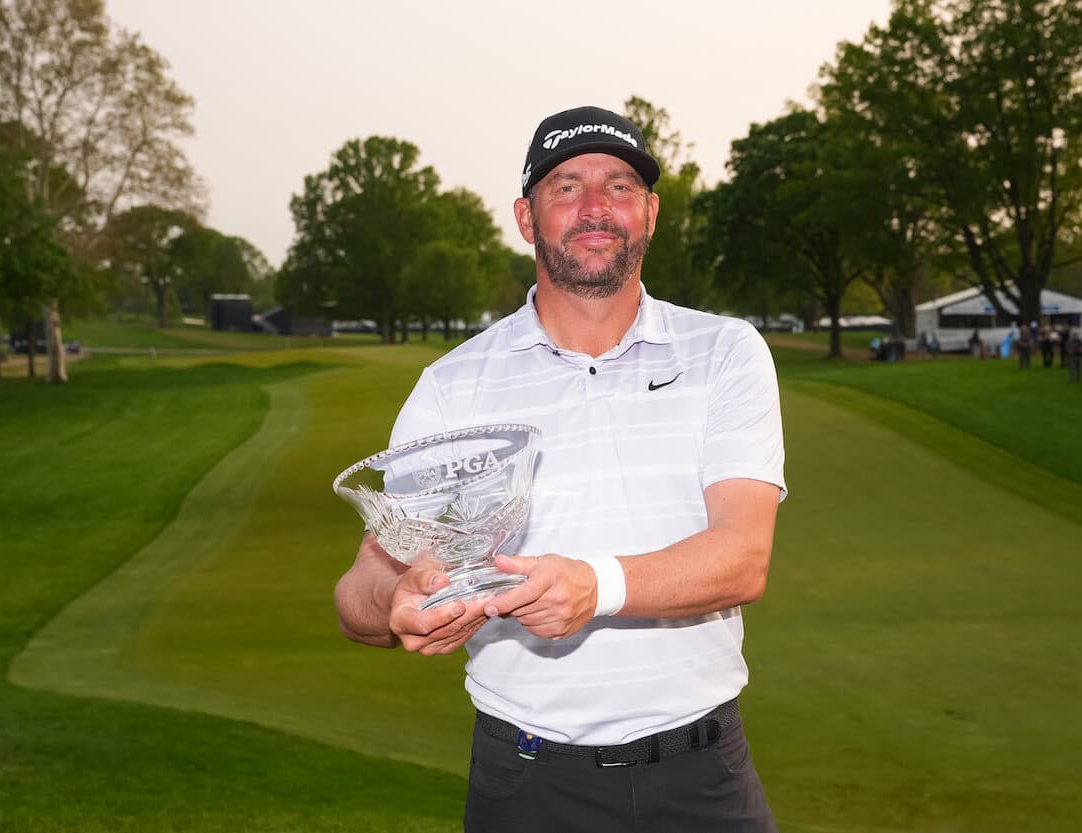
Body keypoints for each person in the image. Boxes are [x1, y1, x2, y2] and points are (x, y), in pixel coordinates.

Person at [334, 106, 786, 833]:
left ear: (652, 212)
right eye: (567, 186)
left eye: (621, 185)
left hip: (704, 779)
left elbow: (743, 556)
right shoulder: (455, 385)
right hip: (527, 786)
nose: (597, 207)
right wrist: (394, 601)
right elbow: (363, 582)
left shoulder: (725, 352)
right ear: (525, 215)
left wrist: (595, 586)